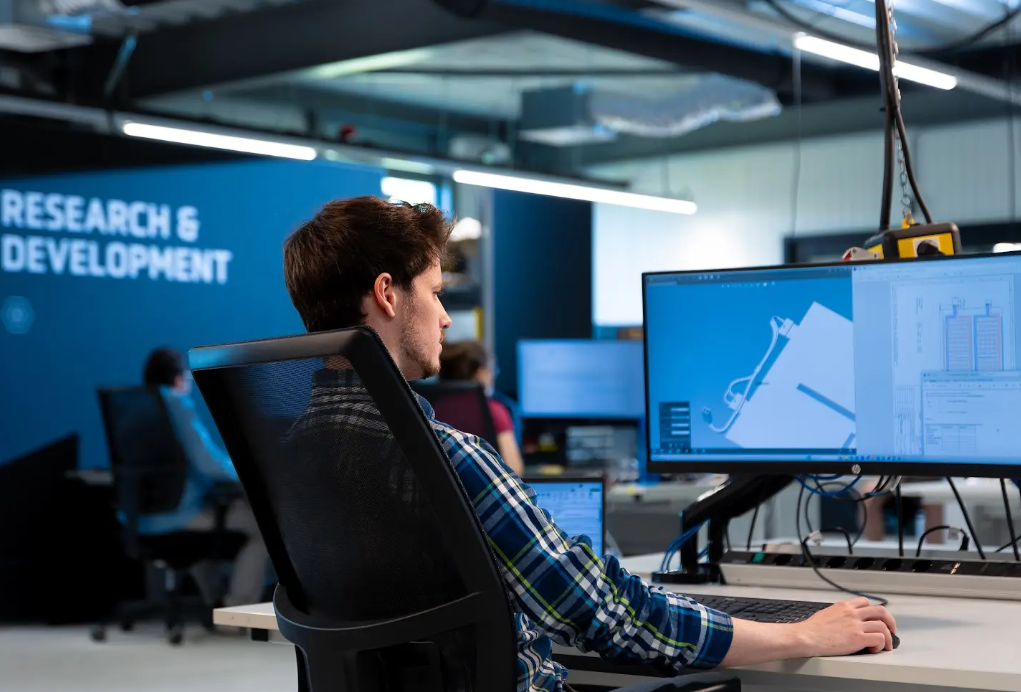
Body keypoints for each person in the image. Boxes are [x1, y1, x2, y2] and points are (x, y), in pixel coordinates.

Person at [282, 197, 897, 691]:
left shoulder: (293, 452)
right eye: (437, 292)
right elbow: (609, 615)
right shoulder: (444, 459)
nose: (445, 317)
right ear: (388, 295)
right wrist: (803, 635)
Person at [141, 348, 269, 607]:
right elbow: (208, 465)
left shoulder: (139, 409)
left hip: (141, 519)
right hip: (180, 515)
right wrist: (250, 471)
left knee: (214, 525)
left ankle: (214, 603)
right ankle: (235, 609)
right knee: (264, 527)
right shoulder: (175, 404)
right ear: (178, 379)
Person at [439, 340, 524, 476]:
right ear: (481, 373)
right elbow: (514, 470)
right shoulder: (494, 410)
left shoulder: (434, 407)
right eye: (492, 369)